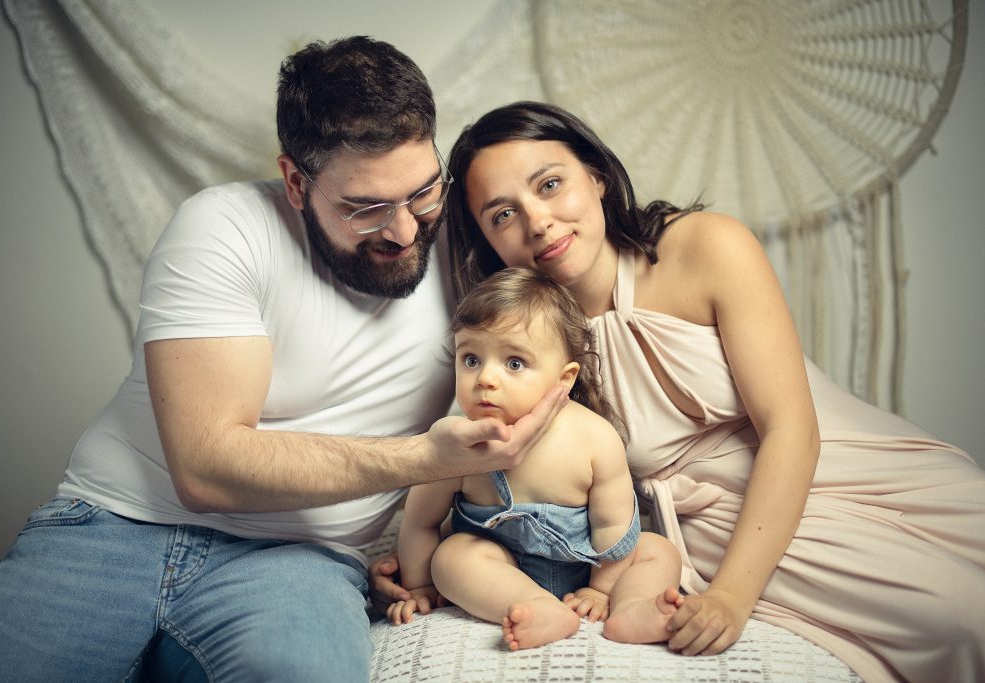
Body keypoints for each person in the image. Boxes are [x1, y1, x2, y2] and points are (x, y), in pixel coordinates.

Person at [0, 41, 567, 682]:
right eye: (365, 208)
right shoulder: (224, 226)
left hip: (300, 560)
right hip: (114, 526)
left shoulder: (468, 246)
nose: (405, 231)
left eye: (422, 193)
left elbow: (590, 258)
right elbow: (206, 469)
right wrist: (425, 459)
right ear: (297, 181)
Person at [421, 100, 984, 683]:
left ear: (596, 177)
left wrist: (732, 597)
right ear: (488, 242)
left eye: (550, 184)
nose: (536, 221)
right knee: (954, 620)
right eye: (502, 215)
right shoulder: (520, 351)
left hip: (823, 466)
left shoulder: (706, 247)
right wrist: (417, 555)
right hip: (706, 528)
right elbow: (491, 474)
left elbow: (791, 427)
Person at [386, 268, 683, 650]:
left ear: (564, 379)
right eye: (472, 359)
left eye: (513, 363)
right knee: (451, 558)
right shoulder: (453, 443)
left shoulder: (593, 437)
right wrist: (420, 585)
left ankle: (634, 608)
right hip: (500, 569)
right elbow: (419, 523)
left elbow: (614, 527)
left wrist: (602, 590)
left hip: (591, 568)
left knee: (658, 550)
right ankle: (534, 605)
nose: (485, 379)